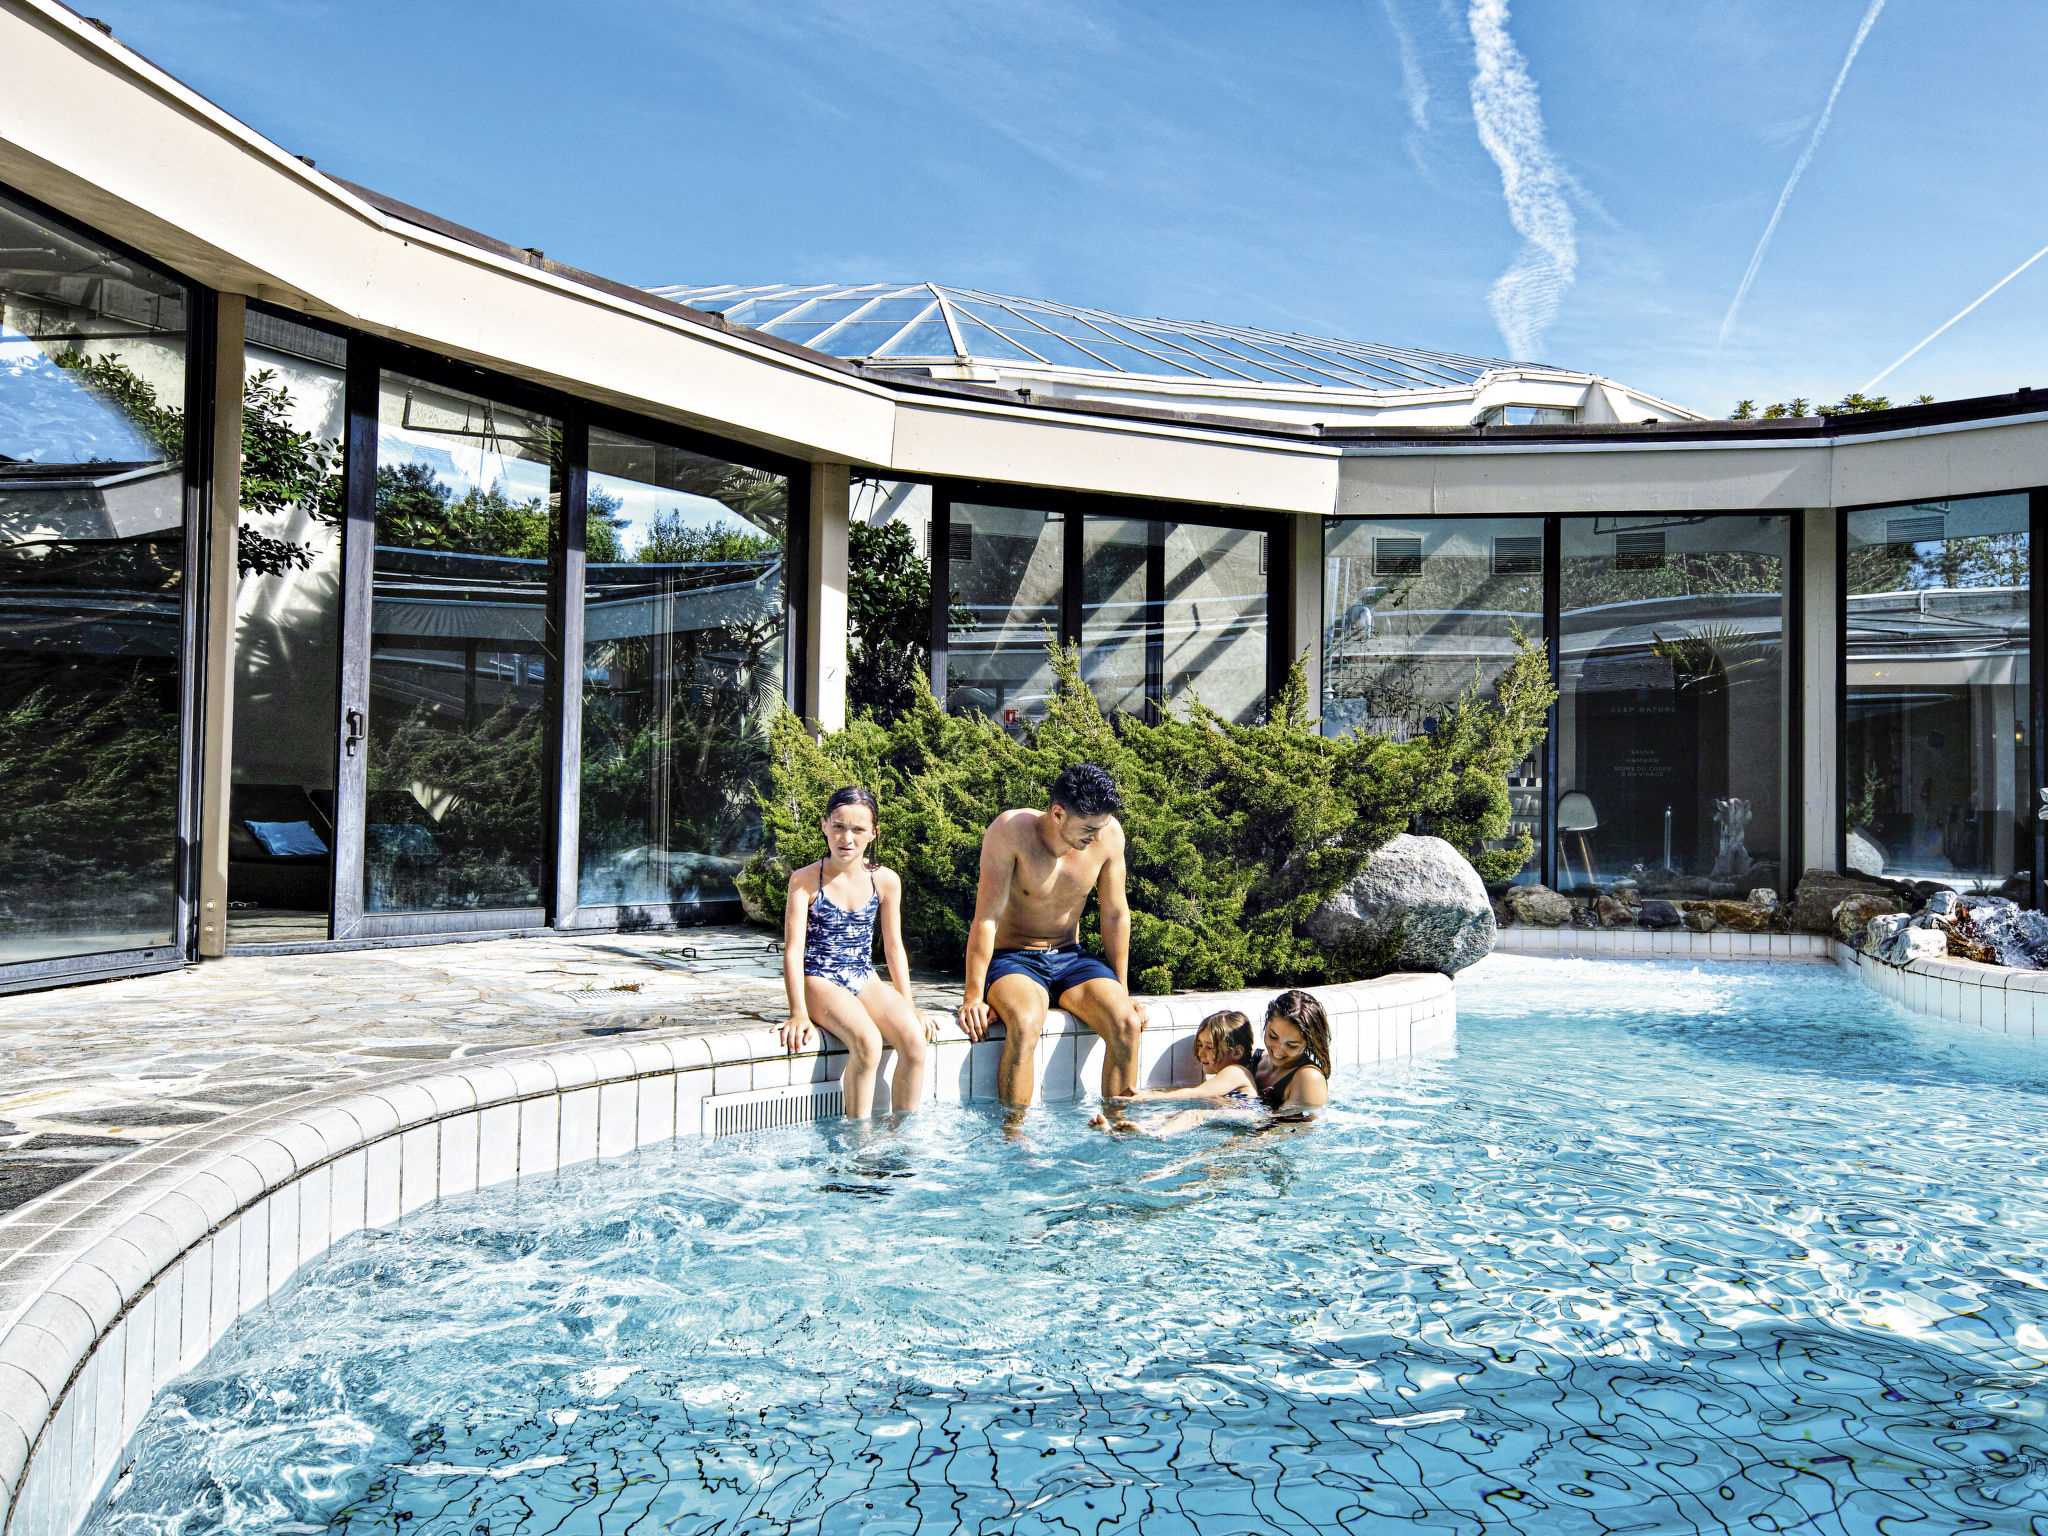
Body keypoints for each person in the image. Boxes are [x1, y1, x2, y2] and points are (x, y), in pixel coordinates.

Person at [958, 763, 1150, 1106]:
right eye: (1088, 829)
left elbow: (1116, 912)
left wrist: (1122, 988)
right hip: (1014, 957)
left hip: (1070, 957)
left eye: (1101, 827)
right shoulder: (1011, 831)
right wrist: (973, 994)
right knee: (1026, 1021)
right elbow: (986, 917)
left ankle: (1118, 1131)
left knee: (1126, 1024)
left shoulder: (1109, 835)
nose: (1095, 837)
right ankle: (1014, 1138)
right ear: (1058, 813)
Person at [779, 786, 941, 1118]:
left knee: (913, 1041)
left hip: (863, 975)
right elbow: (794, 951)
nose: (846, 838)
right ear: (824, 825)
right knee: (867, 1042)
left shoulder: (884, 880)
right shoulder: (805, 881)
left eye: (858, 830)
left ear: (873, 833)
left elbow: (894, 948)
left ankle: (902, 1139)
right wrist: (798, 1012)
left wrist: (908, 1005)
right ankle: (859, 1144)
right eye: (838, 826)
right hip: (820, 978)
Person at [1091, 1010, 1256, 1135]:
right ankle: (1119, 1132)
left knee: (1192, 1115)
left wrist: (1147, 1097)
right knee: (1166, 1115)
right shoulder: (1226, 1077)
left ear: (1236, 1053)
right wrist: (1148, 1092)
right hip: (1231, 1118)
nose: (1201, 1053)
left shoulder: (1236, 1071)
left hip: (1249, 1118)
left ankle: (1154, 1135)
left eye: (1209, 1047)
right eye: (1200, 1045)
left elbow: (1197, 1092)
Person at [1252, 989, 1331, 1118]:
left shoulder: (1309, 1078)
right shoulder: (1254, 1059)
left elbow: (1291, 1129)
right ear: (1266, 1024)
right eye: (1273, 1036)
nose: (1278, 1050)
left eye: (1292, 1045)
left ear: (1309, 1043)